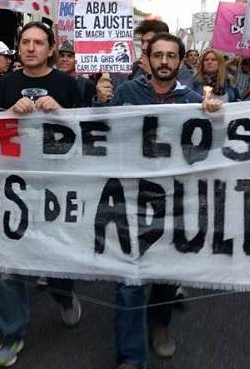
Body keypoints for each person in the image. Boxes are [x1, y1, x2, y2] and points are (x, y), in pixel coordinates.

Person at [96, 34, 223, 369]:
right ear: (147, 58)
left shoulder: (193, 99)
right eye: (158, 55)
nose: (164, 62)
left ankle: (159, 325)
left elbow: (205, 150)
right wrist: (101, 102)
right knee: (130, 278)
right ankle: (131, 356)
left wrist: (213, 116)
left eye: (171, 56)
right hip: (130, 195)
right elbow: (101, 131)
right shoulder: (126, 93)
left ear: (180, 61)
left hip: (175, 198)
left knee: (166, 270)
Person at [0, 21, 82, 368]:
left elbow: (91, 132)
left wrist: (60, 112)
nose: (30, 48)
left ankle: (64, 293)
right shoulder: (7, 84)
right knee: (10, 263)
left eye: (38, 43)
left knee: (54, 253)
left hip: (57, 183)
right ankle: (11, 334)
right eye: (25, 42)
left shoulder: (67, 85)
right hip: (14, 183)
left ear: (50, 49)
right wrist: (12, 112)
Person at [56, 40, 96, 107]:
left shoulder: (87, 85)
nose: (64, 59)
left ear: (77, 60)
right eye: (62, 56)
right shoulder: (53, 82)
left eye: (70, 56)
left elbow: (92, 112)